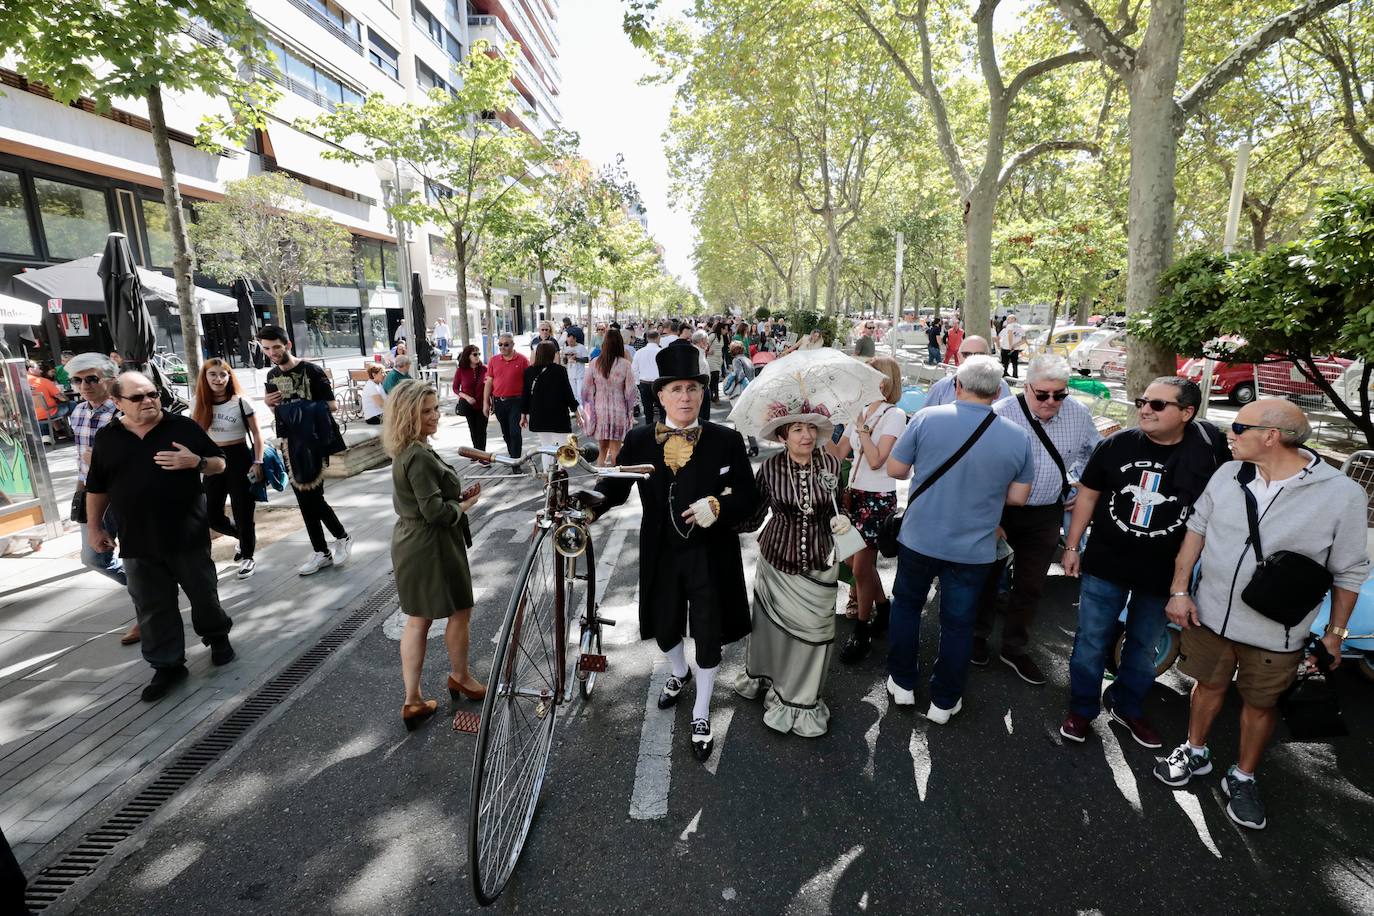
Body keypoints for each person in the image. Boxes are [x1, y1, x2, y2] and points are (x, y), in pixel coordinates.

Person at [1153, 400, 1367, 829]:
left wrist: (1335, 634)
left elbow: (1349, 570)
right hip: (1210, 616)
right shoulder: (1229, 472)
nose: (1227, 434)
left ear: (1272, 436)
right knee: (1208, 686)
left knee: (1260, 703)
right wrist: (1179, 589)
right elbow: (1196, 530)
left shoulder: (1341, 494)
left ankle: (1244, 777)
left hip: (1278, 630)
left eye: (1237, 426)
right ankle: (1195, 751)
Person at [594, 345, 761, 761]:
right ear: (660, 395)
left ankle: (702, 710)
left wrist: (719, 506)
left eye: (692, 388)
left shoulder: (726, 440)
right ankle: (678, 672)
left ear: (703, 394)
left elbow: (749, 496)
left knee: (707, 631)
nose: (685, 397)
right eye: (676, 389)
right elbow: (611, 491)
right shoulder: (636, 440)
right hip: (660, 551)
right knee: (664, 625)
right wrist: (583, 504)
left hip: (711, 553)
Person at [1059, 377, 1231, 748]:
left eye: (1157, 405)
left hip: (1163, 574)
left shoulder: (1209, 455)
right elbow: (1088, 496)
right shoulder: (1116, 445)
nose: (1145, 410)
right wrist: (1072, 547)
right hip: (1106, 564)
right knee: (1091, 641)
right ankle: (1082, 709)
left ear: (1187, 412)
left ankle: (1128, 706)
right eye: (1143, 401)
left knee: (1143, 646)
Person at [884, 356, 1035, 722]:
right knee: (958, 623)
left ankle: (902, 684)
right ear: (998, 391)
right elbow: (1018, 497)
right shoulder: (1016, 436)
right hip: (974, 547)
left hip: (920, 537)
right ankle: (944, 700)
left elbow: (896, 470)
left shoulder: (925, 419)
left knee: (906, 607)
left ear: (957, 385)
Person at [85, 371, 235, 703]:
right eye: (137, 397)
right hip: (137, 539)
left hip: (187, 534)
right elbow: (97, 488)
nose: (149, 401)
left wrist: (195, 461)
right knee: (152, 606)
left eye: (152, 394)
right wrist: (95, 528)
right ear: (117, 402)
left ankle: (218, 637)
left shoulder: (182, 427)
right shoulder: (109, 438)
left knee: (203, 594)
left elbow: (219, 464)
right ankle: (167, 665)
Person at [973, 355, 1100, 683]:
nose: (1051, 402)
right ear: (1026, 387)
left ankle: (1014, 648)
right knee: (986, 577)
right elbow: (980, 468)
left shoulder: (1079, 414)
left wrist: (1081, 484)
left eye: (1060, 394)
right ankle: (976, 637)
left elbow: (1093, 454)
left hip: (1046, 511)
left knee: (1031, 585)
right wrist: (989, 513)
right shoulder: (1000, 414)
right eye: (1042, 394)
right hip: (1000, 511)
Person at [735, 406, 843, 736]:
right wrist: (716, 515)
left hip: (821, 564)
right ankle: (768, 678)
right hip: (777, 563)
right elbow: (753, 516)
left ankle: (801, 700)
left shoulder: (832, 464)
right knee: (773, 632)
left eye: (810, 428)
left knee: (816, 637)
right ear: (783, 436)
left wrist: (844, 521)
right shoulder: (769, 468)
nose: (806, 436)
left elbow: (840, 506)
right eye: (797, 429)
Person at [385, 380, 486, 731]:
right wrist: (464, 506)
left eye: (433, 408)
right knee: (460, 610)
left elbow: (425, 502)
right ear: (408, 415)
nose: (434, 415)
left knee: (418, 619)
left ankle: (413, 699)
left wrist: (455, 501)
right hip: (432, 544)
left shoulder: (407, 449)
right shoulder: (417, 454)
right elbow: (435, 513)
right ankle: (459, 676)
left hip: (413, 541)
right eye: (425, 411)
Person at [259, 325, 353, 577]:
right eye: (266, 348)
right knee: (303, 499)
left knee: (313, 495)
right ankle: (322, 550)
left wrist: (299, 407)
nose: (272, 353)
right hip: (291, 444)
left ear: (287, 344)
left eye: (276, 347)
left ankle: (340, 537)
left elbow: (332, 405)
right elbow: (280, 414)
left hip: (315, 440)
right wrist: (271, 405)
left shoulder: (312, 370)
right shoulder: (270, 375)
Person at [833, 356, 907, 663]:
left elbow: (878, 461)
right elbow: (838, 454)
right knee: (852, 562)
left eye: (868, 374)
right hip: (853, 497)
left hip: (877, 500)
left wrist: (861, 429)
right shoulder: (858, 411)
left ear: (884, 380)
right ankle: (885, 608)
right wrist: (823, 427)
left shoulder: (895, 414)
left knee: (862, 567)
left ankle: (861, 631)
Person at [67, 353, 139, 645]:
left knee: (135, 558)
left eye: (92, 378)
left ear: (110, 379)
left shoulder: (124, 413)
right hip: (93, 495)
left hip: (126, 495)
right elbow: (81, 459)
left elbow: (138, 457)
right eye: (77, 380)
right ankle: (151, 591)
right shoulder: (78, 412)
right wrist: (79, 489)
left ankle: (147, 611)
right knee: (94, 558)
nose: (84, 385)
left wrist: (100, 459)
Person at [191, 358, 263, 580]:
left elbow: (258, 435)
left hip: (239, 457)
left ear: (229, 377)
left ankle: (248, 556)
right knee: (211, 515)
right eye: (213, 374)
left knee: (243, 510)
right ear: (205, 377)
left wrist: (258, 461)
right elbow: (194, 435)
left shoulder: (241, 402)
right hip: (213, 461)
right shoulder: (198, 402)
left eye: (223, 374)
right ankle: (243, 538)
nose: (218, 379)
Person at [580, 329, 638, 466]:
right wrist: (630, 413)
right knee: (616, 449)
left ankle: (600, 478)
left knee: (602, 449)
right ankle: (614, 480)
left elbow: (585, 390)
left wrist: (588, 411)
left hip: (599, 411)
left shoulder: (595, 363)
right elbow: (631, 392)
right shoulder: (625, 365)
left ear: (604, 344)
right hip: (619, 410)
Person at [521, 340, 579, 467]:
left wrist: (523, 416)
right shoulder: (560, 371)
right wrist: (577, 414)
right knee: (562, 449)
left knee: (546, 447)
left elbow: (525, 395)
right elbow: (568, 394)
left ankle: (548, 478)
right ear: (552, 354)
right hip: (558, 416)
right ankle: (558, 477)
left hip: (538, 416)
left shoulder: (529, 371)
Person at [922, 336, 1010, 408]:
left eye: (979, 354)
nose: (972, 359)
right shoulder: (941, 388)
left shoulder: (1002, 386)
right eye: (967, 354)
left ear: (988, 356)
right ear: (959, 357)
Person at [483, 333, 529, 460]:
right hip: (499, 402)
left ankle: (516, 459)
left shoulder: (523, 360)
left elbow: (528, 383)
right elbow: (489, 382)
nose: (502, 347)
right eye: (500, 344)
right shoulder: (493, 360)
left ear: (513, 345)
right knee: (506, 433)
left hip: (516, 402)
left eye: (506, 344)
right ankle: (512, 456)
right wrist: (485, 403)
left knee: (515, 432)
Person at [452, 344, 488, 451]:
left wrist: (491, 402)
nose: (477, 356)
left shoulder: (484, 369)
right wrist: (466, 397)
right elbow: (455, 388)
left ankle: (482, 455)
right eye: (475, 354)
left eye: (479, 354)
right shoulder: (461, 371)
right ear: (468, 356)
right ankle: (476, 453)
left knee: (482, 430)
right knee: (473, 430)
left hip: (482, 404)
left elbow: (489, 386)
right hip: (469, 406)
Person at [27, 360, 70, 445]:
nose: (41, 371)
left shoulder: (18, 383)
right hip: (49, 412)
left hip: (31, 415)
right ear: (31, 370)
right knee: (72, 404)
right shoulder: (43, 381)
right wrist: (67, 399)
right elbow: (61, 398)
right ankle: (78, 430)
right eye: (38, 368)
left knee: (46, 409)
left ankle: (48, 435)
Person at [632, 329, 664, 425]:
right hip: (659, 383)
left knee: (648, 410)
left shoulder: (639, 352)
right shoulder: (661, 351)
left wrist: (638, 382)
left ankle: (648, 429)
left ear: (646, 338)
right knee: (662, 408)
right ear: (658, 338)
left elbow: (634, 369)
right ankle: (662, 428)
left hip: (644, 383)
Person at [691, 330, 714, 422]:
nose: (708, 342)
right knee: (702, 417)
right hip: (699, 389)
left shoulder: (701, 351)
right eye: (706, 340)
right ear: (701, 341)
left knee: (705, 417)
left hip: (704, 388)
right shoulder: (694, 352)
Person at [562, 329, 590, 404]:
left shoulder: (581, 347)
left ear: (575, 339)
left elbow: (586, 360)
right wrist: (565, 358)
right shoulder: (567, 348)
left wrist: (576, 358)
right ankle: (576, 410)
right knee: (573, 394)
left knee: (580, 394)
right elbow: (564, 362)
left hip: (580, 375)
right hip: (571, 374)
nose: (569, 343)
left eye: (571, 341)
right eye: (568, 342)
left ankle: (581, 410)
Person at [997, 314, 1026, 378]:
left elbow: (1010, 335)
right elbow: (1024, 340)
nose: (1007, 320)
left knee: (1005, 363)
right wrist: (1015, 345)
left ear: (1013, 319)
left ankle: (1004, 376)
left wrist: (1010, 345)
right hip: (1015, 348)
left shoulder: (1009, 326)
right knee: (1015, 364)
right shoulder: (1021, 327)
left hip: (1007, 347)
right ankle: (1015, 376)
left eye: (1008, 319)